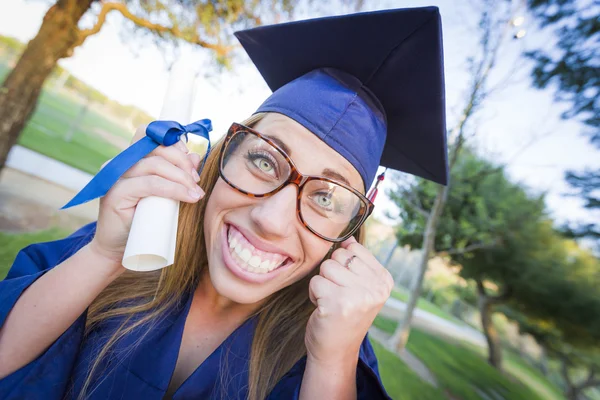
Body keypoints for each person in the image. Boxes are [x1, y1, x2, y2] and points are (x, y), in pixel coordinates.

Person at [0, 6, 447, 400]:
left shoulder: (334, 347)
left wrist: (332, 363)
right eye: (264, 161)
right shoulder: (133, 247)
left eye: (326, 197)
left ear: (349, 230)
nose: (271, 219)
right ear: (221, 156)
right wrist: (104, 254)